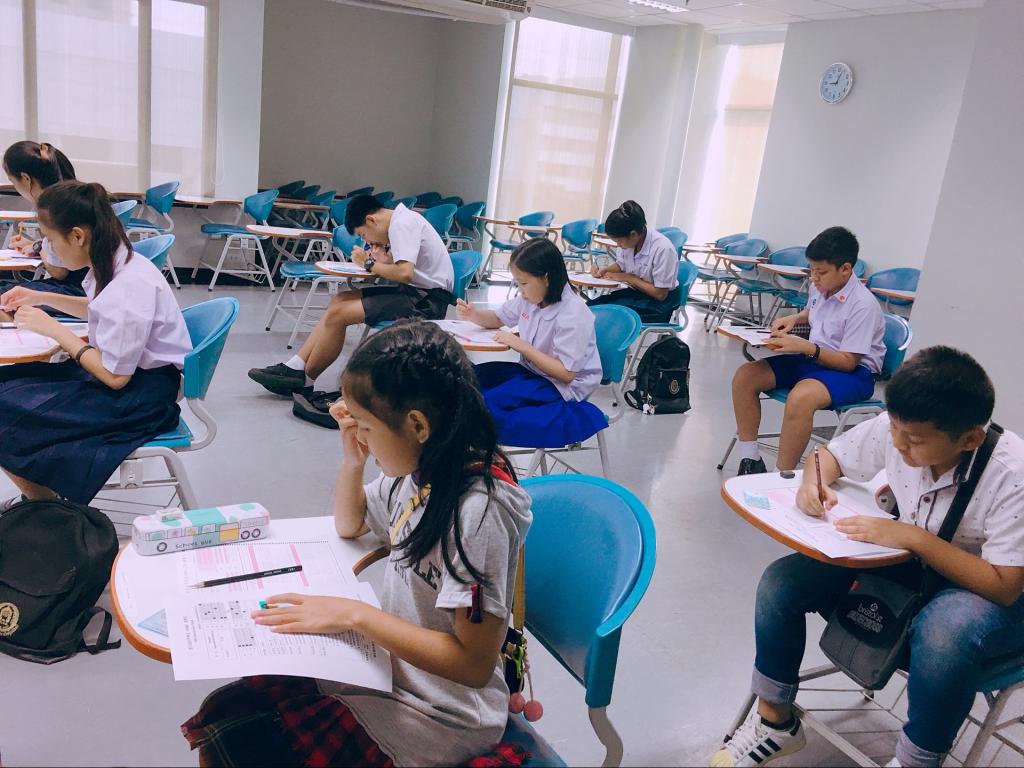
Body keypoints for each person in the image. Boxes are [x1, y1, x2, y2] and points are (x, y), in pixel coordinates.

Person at [183, 320, 533, 768]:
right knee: (232, 711)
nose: (359, 434)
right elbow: (350, 524)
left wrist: (356, 615)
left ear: (417, 425)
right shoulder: (420, 473)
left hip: (445, 713)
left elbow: (472, 665)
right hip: (397, 673)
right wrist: (353, 461)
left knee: (248, 747)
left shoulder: (478, 513)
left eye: (364, 426)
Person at [710, 347, 1024, 768]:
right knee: (781, 584)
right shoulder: (902, 426)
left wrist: (913, 538)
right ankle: (775, 721)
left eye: (913, 441)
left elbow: (1004, 587)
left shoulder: (1012, 475)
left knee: (943, 633)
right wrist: (812, 483)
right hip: (913, 563)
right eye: (894, 429)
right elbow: (830, 457)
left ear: (970, 439)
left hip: (990, 592)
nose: (897, 444)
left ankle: (916, 761)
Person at [0, 181, 190, 505]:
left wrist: (55, 330)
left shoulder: (129, 284)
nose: (48, 249)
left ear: (77, 236)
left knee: (9, 409)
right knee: (9, 384)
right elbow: (100, 308)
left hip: (139, 397)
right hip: (129, 378)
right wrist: (40, 297)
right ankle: (42, 502)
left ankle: (45, 507)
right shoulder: (116, 260)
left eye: (50, 239)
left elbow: (115, 377)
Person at [247, 195, 455, 425]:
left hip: (426, 302)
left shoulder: (402, 224)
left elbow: (405, 273)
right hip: (414, 293)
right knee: (340, 300)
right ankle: (296, 366)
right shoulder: (401, 221)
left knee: (340, 315)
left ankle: (305, 380)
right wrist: (380, 258)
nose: (367, 240)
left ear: (371, 220)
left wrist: (368, 263)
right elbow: (403, 269)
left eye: (364, 235)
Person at [730, 226, 885, 475]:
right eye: (811, 270)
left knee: (801, 398)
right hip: (814, 359)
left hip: (854, 373)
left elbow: (848, 362)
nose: (814, 278)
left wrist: (807, 347)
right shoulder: (820, 287)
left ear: (846, 269)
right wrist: (795, 318)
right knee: (745, 376)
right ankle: (750, 459)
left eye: (821, 272)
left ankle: (780, 477)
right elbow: (813, 311)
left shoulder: (863, 305)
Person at [457, 238, 606, 449]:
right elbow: (498, 318)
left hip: (559, 385)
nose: (520, 290)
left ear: (546, 278)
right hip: (531, 372)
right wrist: (474, 315)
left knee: (485, 403)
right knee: (467, 378)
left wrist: (522, 345)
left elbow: (566, 373)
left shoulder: (573, 313)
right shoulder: (532, 299)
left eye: (524, 283)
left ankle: (472, 449)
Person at [1, 141, 88, 313]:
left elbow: (59, 272)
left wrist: (41, 248)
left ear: (26, 179)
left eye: (13, 182)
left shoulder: (53, 209)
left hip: (77, 291)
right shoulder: (73, 197)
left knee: (6, 297)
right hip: (85, 286)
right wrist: (38, 245)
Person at [587, 200, 681, 323]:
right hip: (637, 294)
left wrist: (629, 278)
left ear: (633, 234)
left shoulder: (663, 249)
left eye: (618, 241)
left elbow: (660, 294)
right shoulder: (630, 243)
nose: (618, 245)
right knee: (590, 307)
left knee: (605, 315)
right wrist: (603, 270)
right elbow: (622, 265)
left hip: (658, 305)